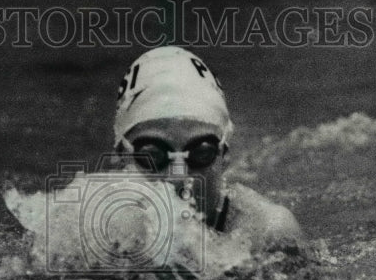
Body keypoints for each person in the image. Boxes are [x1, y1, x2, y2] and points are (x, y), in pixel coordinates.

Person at [113, 45, 306, 252]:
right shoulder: (102, 232)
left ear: (224, 157)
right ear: (122, 158)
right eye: (153, 155)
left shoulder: (268, 235)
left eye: (201, 153)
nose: (178, 176)